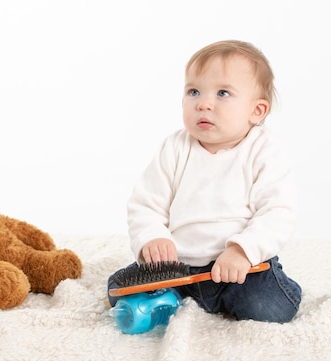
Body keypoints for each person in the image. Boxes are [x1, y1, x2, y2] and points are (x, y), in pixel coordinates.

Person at [108, 40, 301, 323]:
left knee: (268, 306)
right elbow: (145, 204)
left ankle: (242, 292)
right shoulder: (175, 147)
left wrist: (241, 251)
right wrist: (153, 237)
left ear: (256, 111)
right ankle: (173, 298)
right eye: (193, 91)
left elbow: (277, 212)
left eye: (223, 93)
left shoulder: (263, 150)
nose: (203, 104)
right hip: (180, 268)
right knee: (117, 288)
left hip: (241, 269)